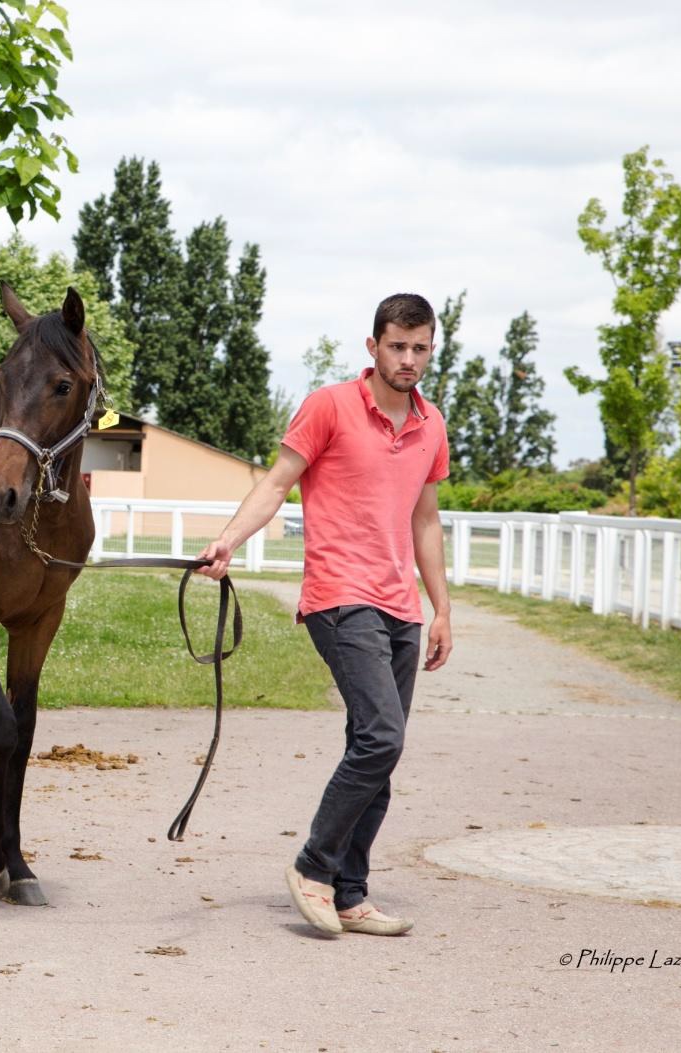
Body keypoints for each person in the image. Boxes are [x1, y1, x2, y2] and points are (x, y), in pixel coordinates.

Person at [198, 293, 453, 937]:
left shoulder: (432, 424)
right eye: (398, 345)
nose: (409, 359)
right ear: (373, 347)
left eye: (421, 347)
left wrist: (442, 609)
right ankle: (313, 867)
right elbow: (277, 482)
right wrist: (229, 538)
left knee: (377, 750)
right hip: (340, 598)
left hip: (402, 608)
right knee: (381, 737)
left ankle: (350, 893)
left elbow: (426, 519)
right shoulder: (330, 405)